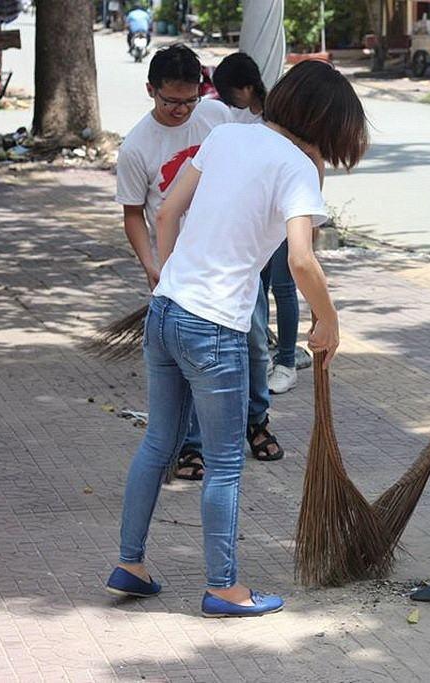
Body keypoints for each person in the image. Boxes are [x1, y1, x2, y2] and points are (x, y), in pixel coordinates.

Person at [105, 59, 368, 617]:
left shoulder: (225, 135)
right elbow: (301, 258)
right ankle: (223, 586)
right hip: (216, 329)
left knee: (158, 443)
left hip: (165, 312)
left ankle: (130, 563)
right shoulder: (297, 167)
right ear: (326, 122)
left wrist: (174, 277)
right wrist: (329, 320)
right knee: (225, 463)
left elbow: (168, 212)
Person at [115, 45, 284, 481]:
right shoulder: (137, 146)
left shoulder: (215, 119)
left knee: (253, 341)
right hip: (180, 268)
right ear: (150, 90)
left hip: (235, 256)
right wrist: (152, 264)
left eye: (189, 100)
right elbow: (135, 214)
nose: (180, 110)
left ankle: (255, 421)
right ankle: (190, 446)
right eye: (170, 101)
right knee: (189, 357)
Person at [213, 52, 314, 394]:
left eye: (230, 92)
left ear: (246, 86)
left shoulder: (280, 117)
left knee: (285, 287)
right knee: (259, 286)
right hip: (255, 219)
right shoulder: (240, 119)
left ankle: (287, 360)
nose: (228, 100)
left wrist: (305, 215)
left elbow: (311, 161)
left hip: (284, 215)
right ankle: (264, 354)